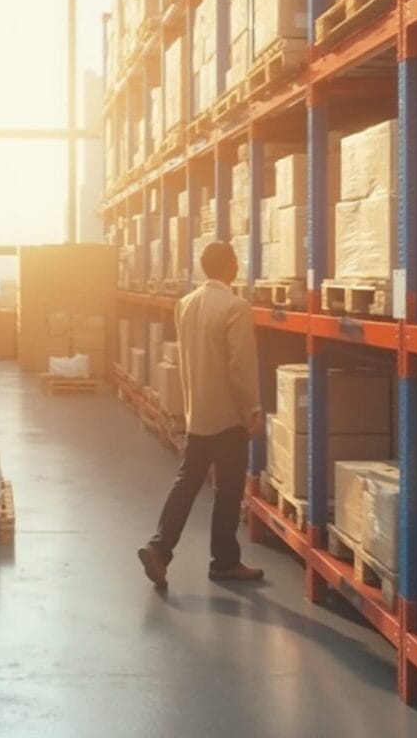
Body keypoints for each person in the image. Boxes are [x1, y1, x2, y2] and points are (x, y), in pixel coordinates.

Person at [138, 240, 264, 591]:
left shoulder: (186, 305)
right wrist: (252, 408)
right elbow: (240, 367)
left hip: (199, 413)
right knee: (227, 489)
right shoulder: (236, 307)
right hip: (228, 416)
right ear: (230, 267)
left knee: (188, 482)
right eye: (236, 260)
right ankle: (224, 562)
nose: (238, 265)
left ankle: (159, 547)